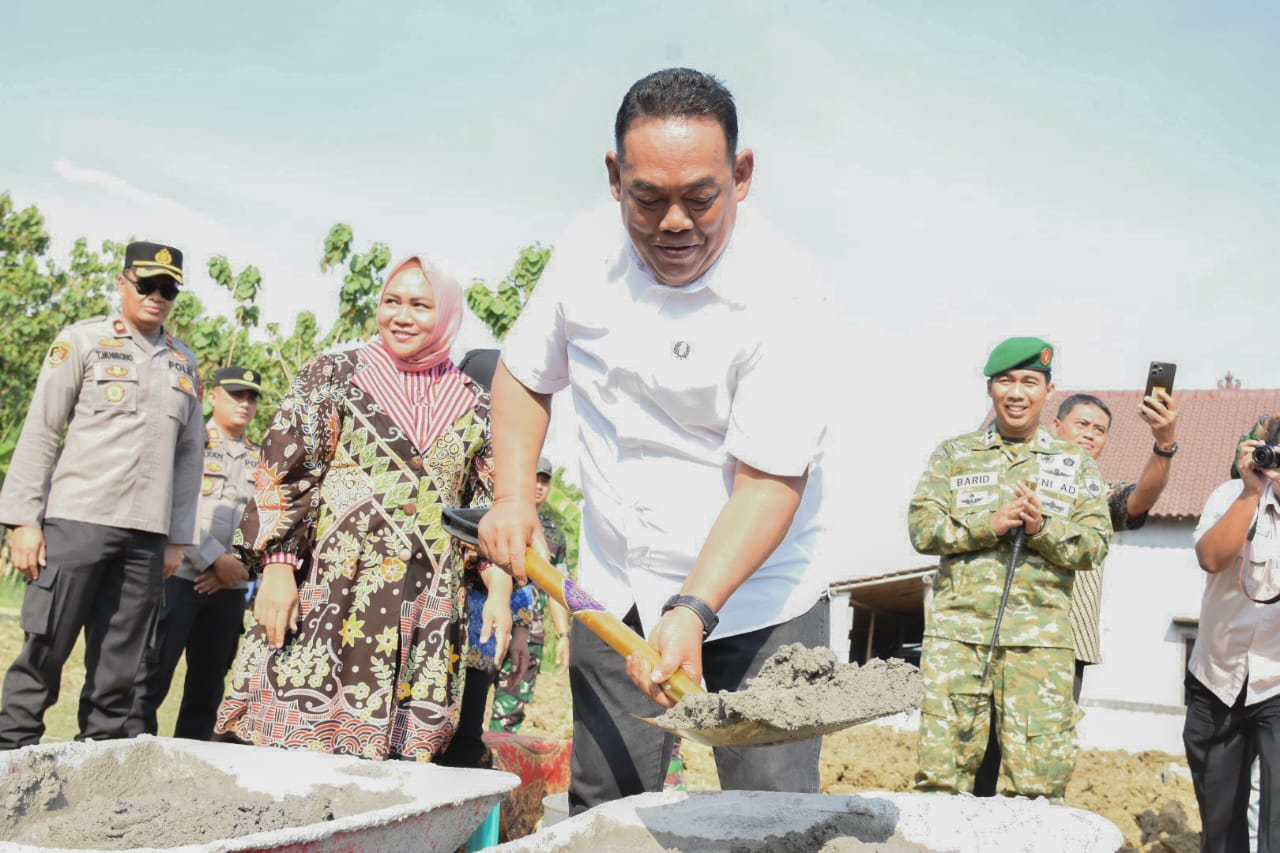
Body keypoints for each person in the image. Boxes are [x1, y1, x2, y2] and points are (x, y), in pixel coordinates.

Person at [478, 67, 829, 814]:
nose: (675, 222)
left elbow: (770, 482)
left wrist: (694, 609)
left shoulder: (786, 293)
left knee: (771, 814)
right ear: (614, 177)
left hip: (758, 601)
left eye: (701, 197)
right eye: (649, 197)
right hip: (611, 591)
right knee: (607, 803)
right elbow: (522, 376)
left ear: (741, 174)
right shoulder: (582, 253)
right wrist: (512, 497)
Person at [213, 254, 514, 762]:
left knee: (394, 774)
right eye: (391, 301)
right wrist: (278, 570)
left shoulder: (477, 405)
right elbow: (285, 474)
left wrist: (500, 591)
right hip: (329, 592)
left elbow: (487, 511)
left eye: (419, 305)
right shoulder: (333, 375)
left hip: (426, 608)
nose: (401, 315)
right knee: (289, 758)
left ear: (445, 316)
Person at [0, 241, 203, 748]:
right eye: (147, 284)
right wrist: (24, 520)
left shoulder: (184, 363)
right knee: (44, 652)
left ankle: (99, 779)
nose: (157, 296)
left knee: (121, 671)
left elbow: (190, 458)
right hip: (77, 523)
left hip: (147, 538)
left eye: (168, 288)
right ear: (123, 282)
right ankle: (9, 759)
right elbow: (43, 429)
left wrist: (178, 538)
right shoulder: (83, 342)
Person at [908, 336, 1111, 801]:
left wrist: (1043, 528)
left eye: (1029, 382)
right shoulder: (954, 455)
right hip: (958, 640)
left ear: (1048, 390)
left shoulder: (1075, 464)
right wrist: (989, 523)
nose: (1016, 392)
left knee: (1038, 786)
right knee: (942, 778)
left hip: (1038, 647)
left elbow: (1095, 545)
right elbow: (922, 528)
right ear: (990, 389)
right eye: (1005, 381)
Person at [973, 388, 1179, 794]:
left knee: (1039, 772)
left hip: (1064, 650)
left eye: (1099, 429)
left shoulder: (1098, 496)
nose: (1090, 434)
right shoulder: (1014, 477)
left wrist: (1164, 444)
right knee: (980, 761)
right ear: (1056, 425)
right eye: (1081, 424)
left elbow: (1139, 500)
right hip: (998, 640)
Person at [126, 366, 263, 739]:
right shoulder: (190, 443)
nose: (245, 404)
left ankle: (191, 758)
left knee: (208, 685)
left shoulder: (262, 457)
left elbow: (263, 519)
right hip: (180, 577)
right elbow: (172, 503)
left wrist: (239, 569)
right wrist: (214, 560)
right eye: (237, 395)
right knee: (152, 674)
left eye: (252, 398)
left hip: (229, 589)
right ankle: (136, 753)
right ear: (213, 396)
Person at [1182, 423, 1280, 853]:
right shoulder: (1230, 495)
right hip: (1217, 679)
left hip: (1277, 682)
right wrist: (1250, 493)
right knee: (1220, 824)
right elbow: (1212, 557)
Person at [488, 456, 572, 734]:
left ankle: (495, 768)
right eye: (534, 478)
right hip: (486, 627)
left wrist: (563, 636)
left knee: (509, 714)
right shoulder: (493, 521)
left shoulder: (555, 536)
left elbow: (557, 589)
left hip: (531, 634)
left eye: (545, 481)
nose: (538, 486)